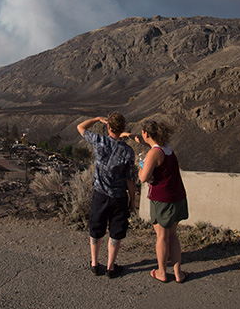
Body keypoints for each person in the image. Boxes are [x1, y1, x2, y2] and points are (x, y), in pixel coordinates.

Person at [125, 119, 189, 283]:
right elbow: (144, 140)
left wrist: (141, 165)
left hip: (162, 199)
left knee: (161, 237)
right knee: (173, 235)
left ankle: (161, 272)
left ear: (147, 134)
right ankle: (178, 273)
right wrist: (129, 135)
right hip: (178, 197)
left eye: (143, 133)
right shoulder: (166, 147)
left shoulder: (153, 153)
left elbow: (144, 177)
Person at [77, 112, 137, 279]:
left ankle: (95, 264)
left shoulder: (100, 142)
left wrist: (96, 119)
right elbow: (130, 179)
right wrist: (132, 200)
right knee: (116, 232)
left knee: (96, 228)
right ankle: (111, 267)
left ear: (108, 127)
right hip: (119, 197)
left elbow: (80, 127)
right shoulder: (128, 151)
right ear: (123, 128)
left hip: (100, 195)